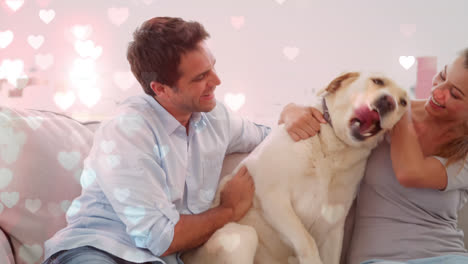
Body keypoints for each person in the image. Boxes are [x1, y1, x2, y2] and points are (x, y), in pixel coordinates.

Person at [42, 17, 320, 264]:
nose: (217, 80)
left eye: (212, 68)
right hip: (97, 249)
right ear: (160, 89)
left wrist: (289, 112)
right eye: (201, 77)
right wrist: (229, 209)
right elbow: (160, 238)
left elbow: (266, 135)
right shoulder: (127, 131)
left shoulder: (215, 119)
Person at [304, 49, 468, 264]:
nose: (438, 91)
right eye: (442, 76)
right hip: (378, 260)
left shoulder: (397, 114)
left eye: (455, 94)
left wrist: (399, 109)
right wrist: (293, 112)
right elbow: (325, 124)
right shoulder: (386, 111)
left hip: (447, 256)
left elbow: (410, 172)